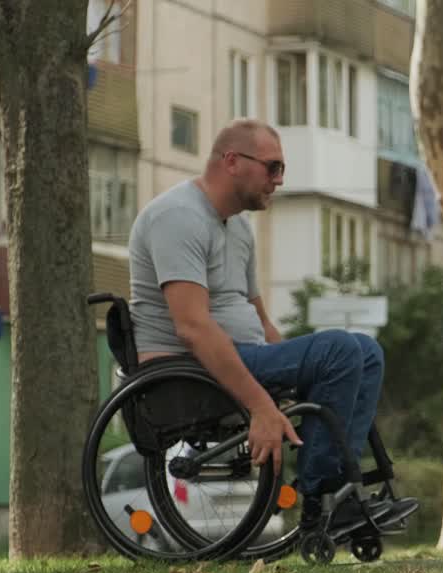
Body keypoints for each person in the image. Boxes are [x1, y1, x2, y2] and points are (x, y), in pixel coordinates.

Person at [128, 118, 399, 531]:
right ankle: (322, 497)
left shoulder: (238, 227)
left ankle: (341, 491)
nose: (279, 180)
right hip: (186, 369)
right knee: (341, 350)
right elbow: (193, 328)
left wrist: (303, 375)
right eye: (272, 167)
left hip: (242, 355)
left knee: (365, 351)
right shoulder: (178, 217)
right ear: (232, 161)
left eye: (282, 170)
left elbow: (260, 321)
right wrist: (260, 405)